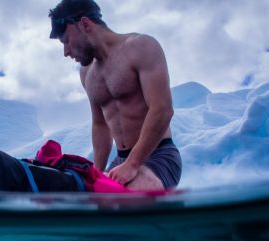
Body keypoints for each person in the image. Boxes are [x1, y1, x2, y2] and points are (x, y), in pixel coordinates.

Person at [49, 0, 182, 190]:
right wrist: (95, 173)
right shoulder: (86, 73)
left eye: (66, 41)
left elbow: (162, 110)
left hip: (158, 154)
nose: (66, 52)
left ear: (84, 24)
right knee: (92, 200)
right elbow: (100, 124)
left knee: (127, 197)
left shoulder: (140, 47)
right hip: (122, 159)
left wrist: (133, 164)